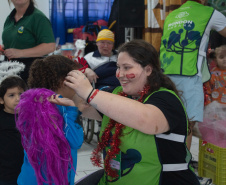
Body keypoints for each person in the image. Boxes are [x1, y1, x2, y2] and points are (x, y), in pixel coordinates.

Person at [51, 40, 200, 185]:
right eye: (118, 67)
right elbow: (85, 106)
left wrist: (90, 93)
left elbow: (146, 120)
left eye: (127, 68)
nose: (120, 74)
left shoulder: (166, 99)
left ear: (148, 70)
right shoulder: (117, 95)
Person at [159, 0, 226, 150]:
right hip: (189, 75)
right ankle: (183, 166)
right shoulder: (208, 13)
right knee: (187, 123)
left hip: (164, 75)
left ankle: (171, 160)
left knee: (170, 120)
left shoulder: (172, 15)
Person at [16, 55, 84, 185]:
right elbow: (75, 141)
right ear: (62, 81)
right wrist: (72, 110)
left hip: (29, 177)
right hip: (52, 179)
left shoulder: (30, 101)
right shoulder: (61, 104)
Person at [1, 0, 55, 83]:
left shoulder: (38, 17)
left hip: (31, 74)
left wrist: (20, 53)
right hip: (12, 72)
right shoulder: (10, 18)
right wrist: (3, 48)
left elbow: (50, 46)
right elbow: (15, 42)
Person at [0, 76, 27, 185]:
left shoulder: (29, 116)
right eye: (11, 95)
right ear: (1, 100)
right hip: (6, 173)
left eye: (21, 94)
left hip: (27, 169)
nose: (18, 98)